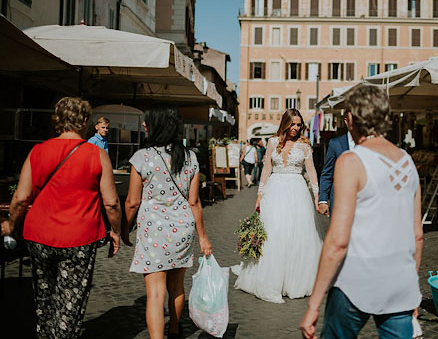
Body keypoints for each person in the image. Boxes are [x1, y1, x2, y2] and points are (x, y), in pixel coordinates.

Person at [299, 85, 423, 339]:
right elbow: (417, 235)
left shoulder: (352, 161)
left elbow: (337, 241)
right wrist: (413, 290)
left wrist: (314, 303)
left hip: (355, 281)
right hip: (400, 285)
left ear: (353, 118)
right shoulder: (407, 162)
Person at [0, 97, 122, 339]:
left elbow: (21, 199)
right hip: (80, 238)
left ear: (58, 120)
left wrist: (11, 225)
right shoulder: (97, 155)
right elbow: (111, 202)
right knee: (71, 303)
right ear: (86, 121)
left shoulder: (38, 151)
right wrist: (116, 231)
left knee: (44, 300)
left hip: (39, 236)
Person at [124, 104, 212, 339]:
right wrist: (203, 236)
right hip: (182, 228)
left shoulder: (142, 157)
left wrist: (123, 229)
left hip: (153, 231)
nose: (143, 124)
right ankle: (174, 329)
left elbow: (132, 202)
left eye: (147, 120)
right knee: (176, 287)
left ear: (157, 125)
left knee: (154, 293)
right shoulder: (189, 157)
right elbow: (194, 202)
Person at [233, 109, 324, 303]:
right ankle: (272, 279)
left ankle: (293, 281)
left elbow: (312, 172)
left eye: (299, 125)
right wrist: (259, 195)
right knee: (275, 231)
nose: (296, 128)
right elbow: (266, 169)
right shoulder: (272, 142)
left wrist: (317, 195)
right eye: (293, 124)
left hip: (297, 191)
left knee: (297, 233)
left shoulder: (305, 145)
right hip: (274, 191)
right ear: (285, 123)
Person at [317, 113, 355, 216]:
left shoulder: (368, 143)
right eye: (353, 119)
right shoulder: (335, 143)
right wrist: (323, 200)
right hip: (340, 200)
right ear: (346, 121)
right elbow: (327, 173)